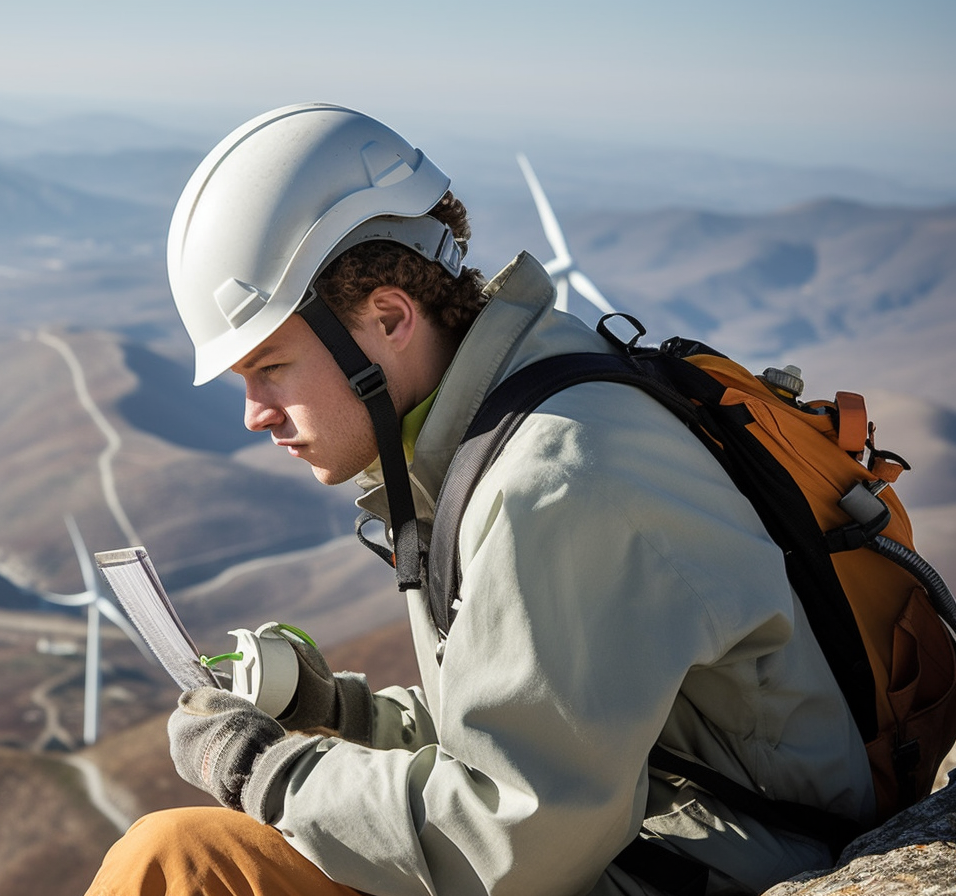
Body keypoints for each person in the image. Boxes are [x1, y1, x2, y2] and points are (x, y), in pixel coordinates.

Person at [86, 103, 874, 896]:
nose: (254, 413)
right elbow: (535, 725)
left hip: (707, 864)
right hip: (659, 831)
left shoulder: (553, 481)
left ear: (389, 317)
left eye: (271, 368)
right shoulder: (505, 417)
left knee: (184, 863)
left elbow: (511, 841)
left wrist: (261, 768)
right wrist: (339, 712)